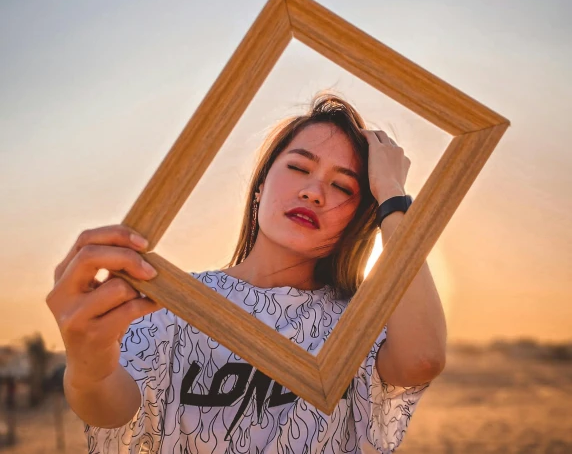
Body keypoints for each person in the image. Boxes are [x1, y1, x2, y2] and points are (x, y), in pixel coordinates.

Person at [46, 92, 447, 453]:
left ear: (359, 218)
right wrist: (87, 365)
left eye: (344, 187)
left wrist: (392, 194)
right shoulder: (173, 302)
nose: (314, 192)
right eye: (298, 167)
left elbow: (423, 359)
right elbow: (112, 408)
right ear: (260, 186)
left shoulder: (356, 325)